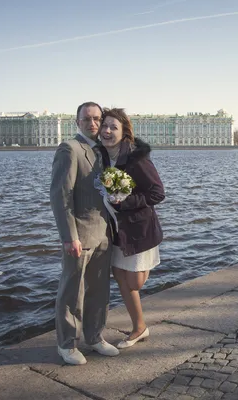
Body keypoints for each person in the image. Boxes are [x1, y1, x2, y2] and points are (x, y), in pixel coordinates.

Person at [49, 101, 119, 365]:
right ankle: (66, 344)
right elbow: (61, 195)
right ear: (77, 122)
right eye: (87, 119)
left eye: (97, 119)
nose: (93, 123)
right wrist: (69, 236)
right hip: (80, 234)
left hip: (103, 233)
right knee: (72, 291)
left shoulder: (101, 151)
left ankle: (95, 336)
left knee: (99, 290)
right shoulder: (70, 149)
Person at [98, 108, 165, 349]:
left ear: (124, 131)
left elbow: (158, 193)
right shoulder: (102, 156)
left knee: (134, 282)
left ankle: (140, 326)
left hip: (138, 229)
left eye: (113, 127)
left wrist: (125, 202)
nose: (107, 131)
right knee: (120, 277)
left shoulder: (136, 157)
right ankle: (139, 327)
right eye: (104, 125)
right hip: (116, 229)